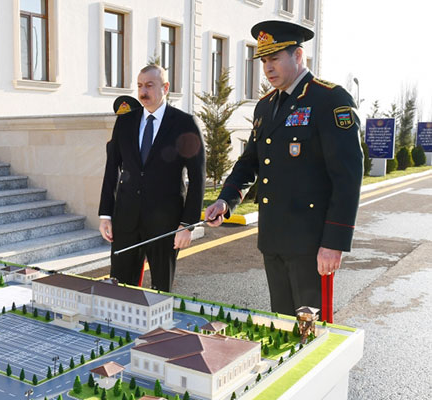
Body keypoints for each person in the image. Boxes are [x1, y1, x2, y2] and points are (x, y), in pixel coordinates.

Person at [205, 20, 363, 316]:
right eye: (264, 60)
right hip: (273, 239)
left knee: (311, 330)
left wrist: (334, 242)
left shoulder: (329, 99)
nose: (267, 68)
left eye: (275, 58)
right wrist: (226, 200)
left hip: (311, 245)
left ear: (298, 56)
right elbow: (251, 161)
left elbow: (347, 176)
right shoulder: (265, 106)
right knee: (282, 324)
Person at [98, 65, 205, 292]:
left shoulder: (184, 123)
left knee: (160, 291)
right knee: (119, 289)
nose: (143, 91)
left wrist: (187, 225)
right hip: (126, 221)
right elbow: (111, 170)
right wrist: (106, 214)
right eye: (139, 86)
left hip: (165, 225)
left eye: (149, 85)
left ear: (165, 87)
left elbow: (197, 177)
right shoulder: (125, 122)